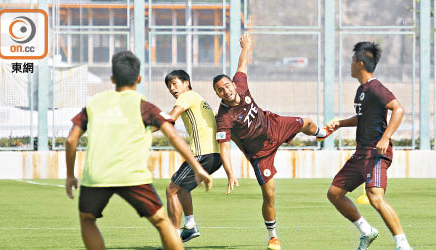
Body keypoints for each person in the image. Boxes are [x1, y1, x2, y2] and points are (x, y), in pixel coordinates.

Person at [65, 51, 212, 250]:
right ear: (139, 78)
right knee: (162, 222)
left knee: (87, 219)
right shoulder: (144, 107)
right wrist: (198, 168)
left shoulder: (94, 104)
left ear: (112, 79)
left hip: (96, 176)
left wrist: (69, 175)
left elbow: (71, 139)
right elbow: (174, 136)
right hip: (132, 176)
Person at [213, 33, 328, 250]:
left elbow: (242, 64)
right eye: (221, 89)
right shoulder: (224, 118)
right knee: (270, 193)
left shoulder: (240, 84)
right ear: (218, 94)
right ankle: (272, 236)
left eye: (227, 85)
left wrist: (246, 46)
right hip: (260, 154)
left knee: (307, 122)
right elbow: (225, 149)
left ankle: (321, 133)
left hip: (272, 125)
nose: (227, 90)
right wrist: (229, 172)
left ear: (231, 84)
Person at [323, 42, 413, 250]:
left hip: (376, 151)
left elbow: (398, 109)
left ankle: (403, 245)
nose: (350, 64)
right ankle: (367, 231)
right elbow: (363, 117)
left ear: (360, 63)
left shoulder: (375, 88)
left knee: (375, 197)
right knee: (334, 193)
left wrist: (385, 138)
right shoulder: (362, 90)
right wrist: (340, 123)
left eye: (352, 60)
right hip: (361, 153)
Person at [163, 69, 222, 242]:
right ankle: (189, 226)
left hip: (202, 154)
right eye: (169, 87)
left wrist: (147, 125)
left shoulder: (187, 96)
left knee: (171, 190)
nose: (172, 89)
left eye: (175, 84)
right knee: (181, 189)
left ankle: (173, 240)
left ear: (186, 83)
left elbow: (171, 119)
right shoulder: (199, 99)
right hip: (213, 155)